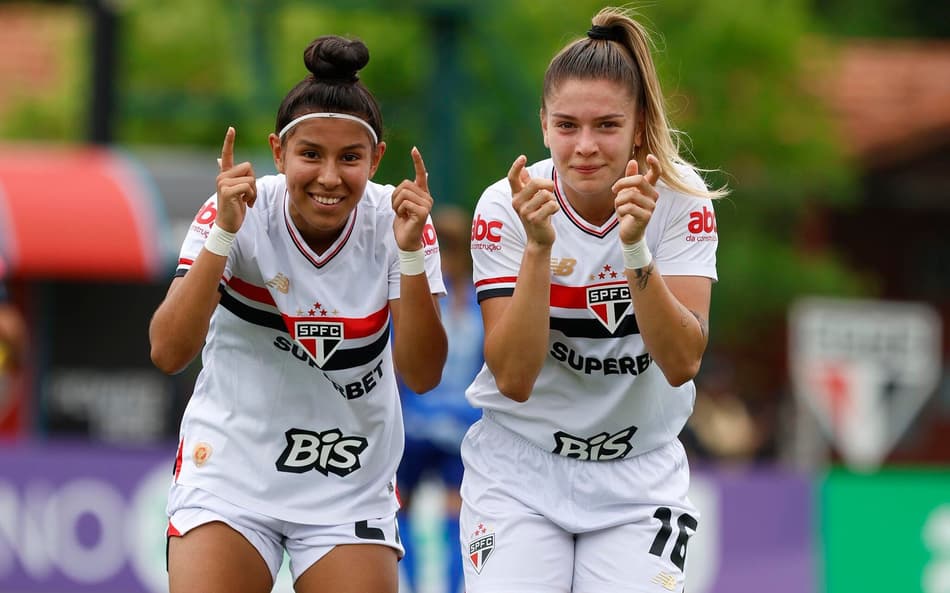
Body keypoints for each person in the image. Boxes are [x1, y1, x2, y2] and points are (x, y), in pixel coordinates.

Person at [148, 35, 448, 593]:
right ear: (279, 152)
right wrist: (223, 235)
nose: (329, 177)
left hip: (348, 483)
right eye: (310, 154)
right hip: (231, 475)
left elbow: (424, 375)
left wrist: (409, 253)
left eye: (350, 158)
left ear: (376, 159)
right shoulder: (237, 209)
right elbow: (168, 350)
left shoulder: (397, 220)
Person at [460, 7, 727, 593]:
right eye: (566, 125)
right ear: (544, 125)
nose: (584, 146)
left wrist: (635, 250)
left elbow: (682, 361)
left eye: (606, 125)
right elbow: (513, 377)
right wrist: (537, 250)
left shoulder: (682, 201)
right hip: (519, 470)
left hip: (638, 476)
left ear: (638, 126)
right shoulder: (506, 206)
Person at [397, 206, 483, 593]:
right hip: (422, 424)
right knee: (405, 516)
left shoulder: (476, 296)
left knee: (451, 518)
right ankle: (422, 586)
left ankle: (444, 587)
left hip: (454, 425)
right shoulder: (427, 292)